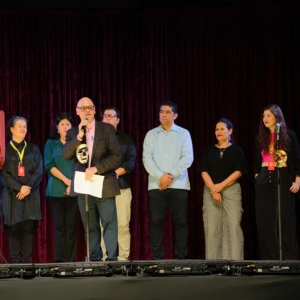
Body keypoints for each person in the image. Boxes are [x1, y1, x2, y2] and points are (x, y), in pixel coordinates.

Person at [62, 97, 121, 261]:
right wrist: (79, 136)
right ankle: (94, 258)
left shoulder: (107, 129)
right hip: (84, 184)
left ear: (95, 110)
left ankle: (112, 259)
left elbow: (116, 156)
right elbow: (66, 154)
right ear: (77, 111)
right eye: (83, 108)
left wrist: (97, 168)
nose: (87, 110)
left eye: (90, 107)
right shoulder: (73, 132)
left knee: (109, 222)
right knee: (90, 224)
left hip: (104, 181)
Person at [142, 100, 193, 260]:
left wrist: (169, 176)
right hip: (156, 185)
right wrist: (161, 176)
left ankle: (181, 258)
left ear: (175, 115)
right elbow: (146, 159)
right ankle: (157, 258)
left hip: (179, 185)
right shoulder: (151, 134)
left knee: (181, 222)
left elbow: (187, 158)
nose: (163, 115)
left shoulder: (184, 134)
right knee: (156, 223)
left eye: (167, 112)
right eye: (161, 112)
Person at [255, 104, 300, 260]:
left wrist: (297, 181)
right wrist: (257, 176)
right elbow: (256, 161)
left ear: (277, 117)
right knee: (266, 221)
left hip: (283, 177)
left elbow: (297, 160)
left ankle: (290, 259)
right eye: (263, 116)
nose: (265, 119)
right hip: (264, 178)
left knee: (286, 220)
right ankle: (270, 259)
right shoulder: (262, 138)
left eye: (268, 116)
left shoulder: (289, 136)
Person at [199, 118, 247, 260]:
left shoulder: (237, 150)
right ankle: (214, 265)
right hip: (210, 190)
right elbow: (203, 171)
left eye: (222, 129)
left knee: (233, 226)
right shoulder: (208, 150)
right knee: (212, 228)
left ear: (230, 131)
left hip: (231, 189)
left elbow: (238, 171)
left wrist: (220, 186)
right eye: (216, 129)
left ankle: (234, 264)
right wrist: (214, 189)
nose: (218, 132)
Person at [1, 116, 43, 263]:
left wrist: (26, 189)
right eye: (19, 125)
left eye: (25, 126)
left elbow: (39, 171)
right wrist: (19, 188)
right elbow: (3, 173)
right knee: (14, 230)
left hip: (30, 195)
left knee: (27, 230)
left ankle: (25, 263)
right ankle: (15, 265)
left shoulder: (33, 148)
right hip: (12, 195)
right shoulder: (4, 149)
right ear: (11, 129)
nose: (22, 128)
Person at [101, 106, 136, 261]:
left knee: (122, 225)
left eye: (111, 116)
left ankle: (122, 259)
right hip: (101, 188)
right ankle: (101, 258)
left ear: (118, 120)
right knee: (103, 225)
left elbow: (131, 161)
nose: (108, 118)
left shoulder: (126, 139)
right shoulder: (96, 139)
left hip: (122, 186)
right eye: (105, 116)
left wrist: (114, 173)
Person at [44, 112, 79, 262]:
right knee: (59, 227)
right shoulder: (51, 144)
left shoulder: (78, 142)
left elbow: (82, 164)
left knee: (71, 227)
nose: (65, 127)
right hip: (56, 190)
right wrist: (67, 181)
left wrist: (73, 184)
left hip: (76, 190)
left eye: (68, 124)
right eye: (62, 124)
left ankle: (70, 262)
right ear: (57, 128)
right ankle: (59, 262)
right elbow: (49, 165)